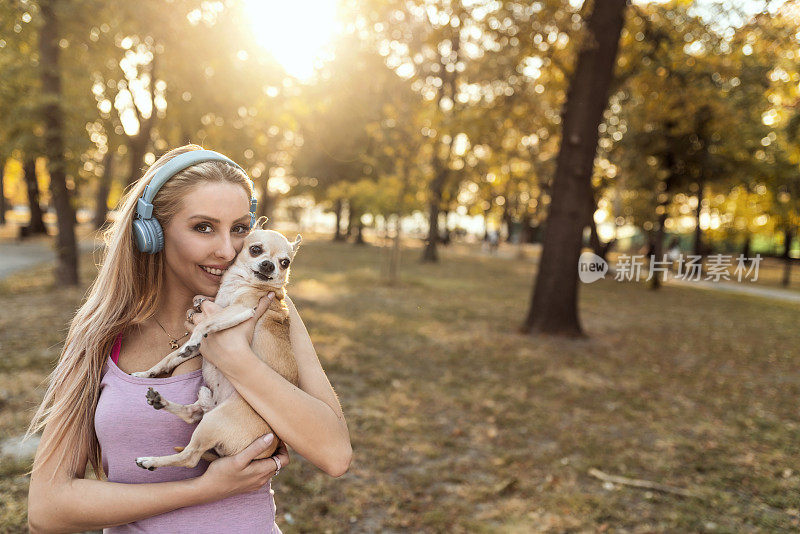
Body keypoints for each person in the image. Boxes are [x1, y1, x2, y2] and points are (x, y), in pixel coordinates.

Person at [25, 145, 352, 533]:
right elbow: (46, 510)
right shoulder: (101, 335)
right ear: (152, 234)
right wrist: (204, 488)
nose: (228, 249)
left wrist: (236, 360)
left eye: (240, 229)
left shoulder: (269, 307)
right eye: (203, 228)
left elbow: (335, 455)